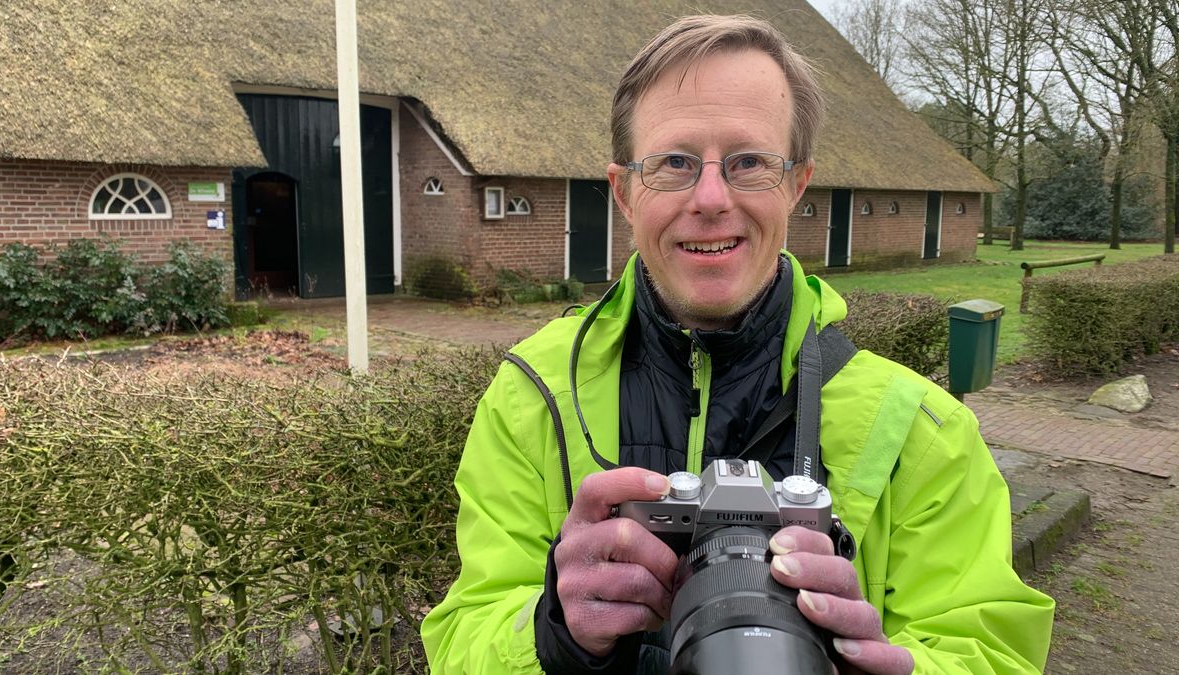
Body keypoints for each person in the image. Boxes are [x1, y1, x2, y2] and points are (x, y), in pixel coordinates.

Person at [422, 14, 1054, 674]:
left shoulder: (924, 433)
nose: (712, 197)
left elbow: (990, 649)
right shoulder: (530, 399)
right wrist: (555, 632)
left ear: (797, 185)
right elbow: (466, 632)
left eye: (750, 162)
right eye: (674, 163)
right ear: (626, 192)